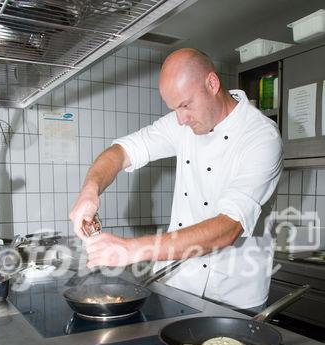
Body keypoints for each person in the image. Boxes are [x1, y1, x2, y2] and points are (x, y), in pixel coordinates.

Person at [70, 48, 283, 312]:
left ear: (212, 83)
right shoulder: (181, 122)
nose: (181, 119)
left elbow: (228, 227)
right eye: (174, 109)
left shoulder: (261, 137)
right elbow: (121, 151)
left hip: (234, 296)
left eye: (185, 105)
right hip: (178, 282)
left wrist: (132, 249)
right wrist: (89, 192)